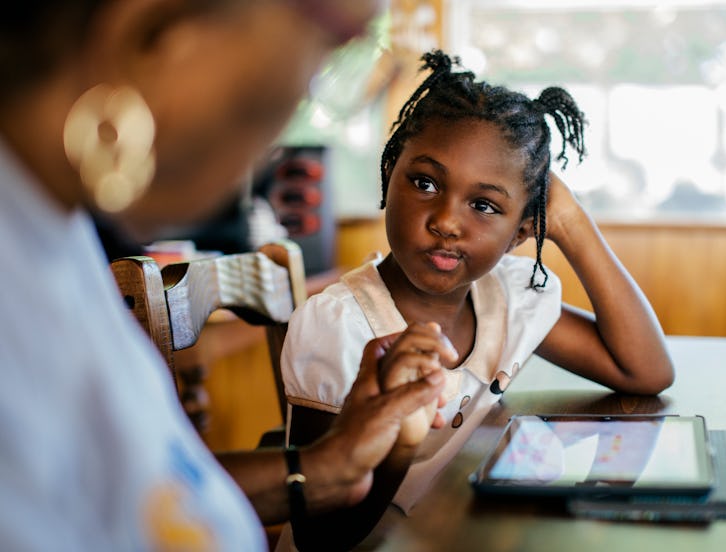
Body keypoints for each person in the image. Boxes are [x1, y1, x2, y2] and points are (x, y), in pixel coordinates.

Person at [0, 2, 456, 550]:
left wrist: (329, 464)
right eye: (330, 50)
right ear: (155, 31)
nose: (276, 144)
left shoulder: (53, 230)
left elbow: (134, 490)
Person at [280, 50, 675, 550]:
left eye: (485, 205)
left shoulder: (507, 296)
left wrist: (570, 222)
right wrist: (400, 438)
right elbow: (321, 537)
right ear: (389, 175)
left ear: (520, 234)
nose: (446, 220)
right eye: (424, 183)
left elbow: (647, 371)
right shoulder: (338, 326)